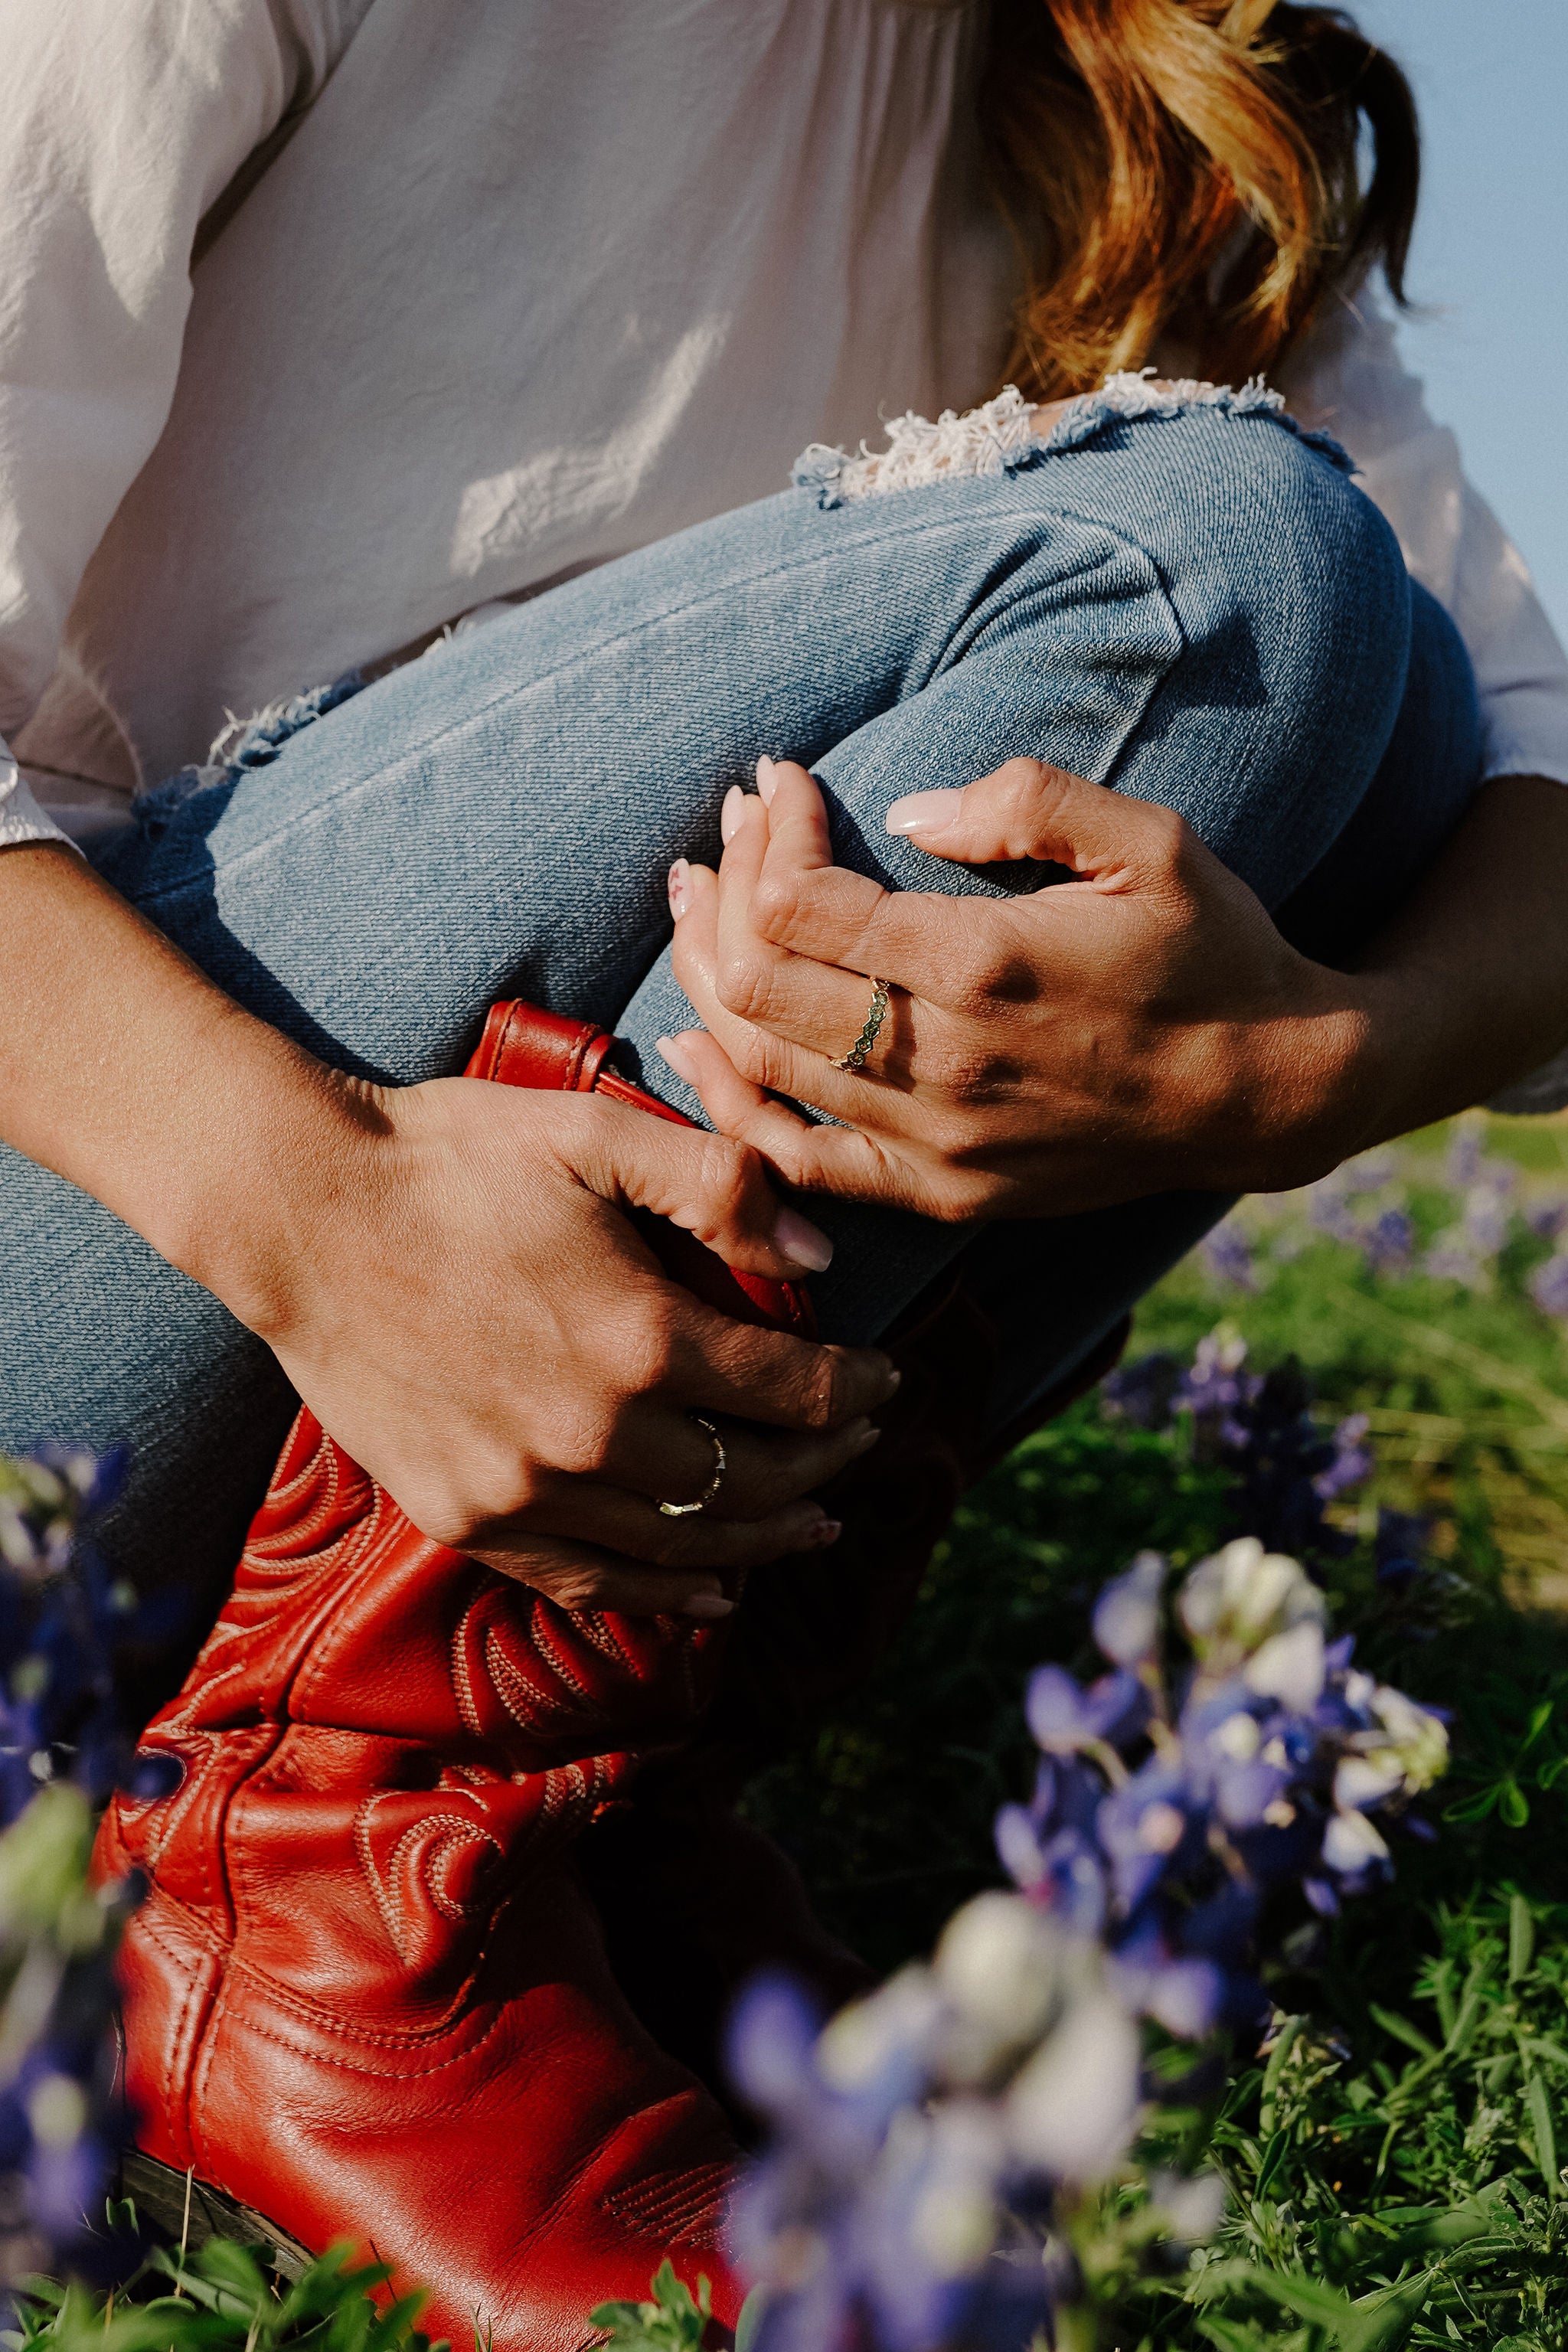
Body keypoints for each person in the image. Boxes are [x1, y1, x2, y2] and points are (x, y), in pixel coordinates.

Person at [3, 0, 1568, 2328]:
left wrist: (1293, 1075)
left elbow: (1539, 797)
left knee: (1396, 714)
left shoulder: (1141, 92)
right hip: (88, 1283)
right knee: (1222, 582)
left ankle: (557, 1824)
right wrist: (328, 1213)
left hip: (323, 1444)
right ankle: (319, 1890)